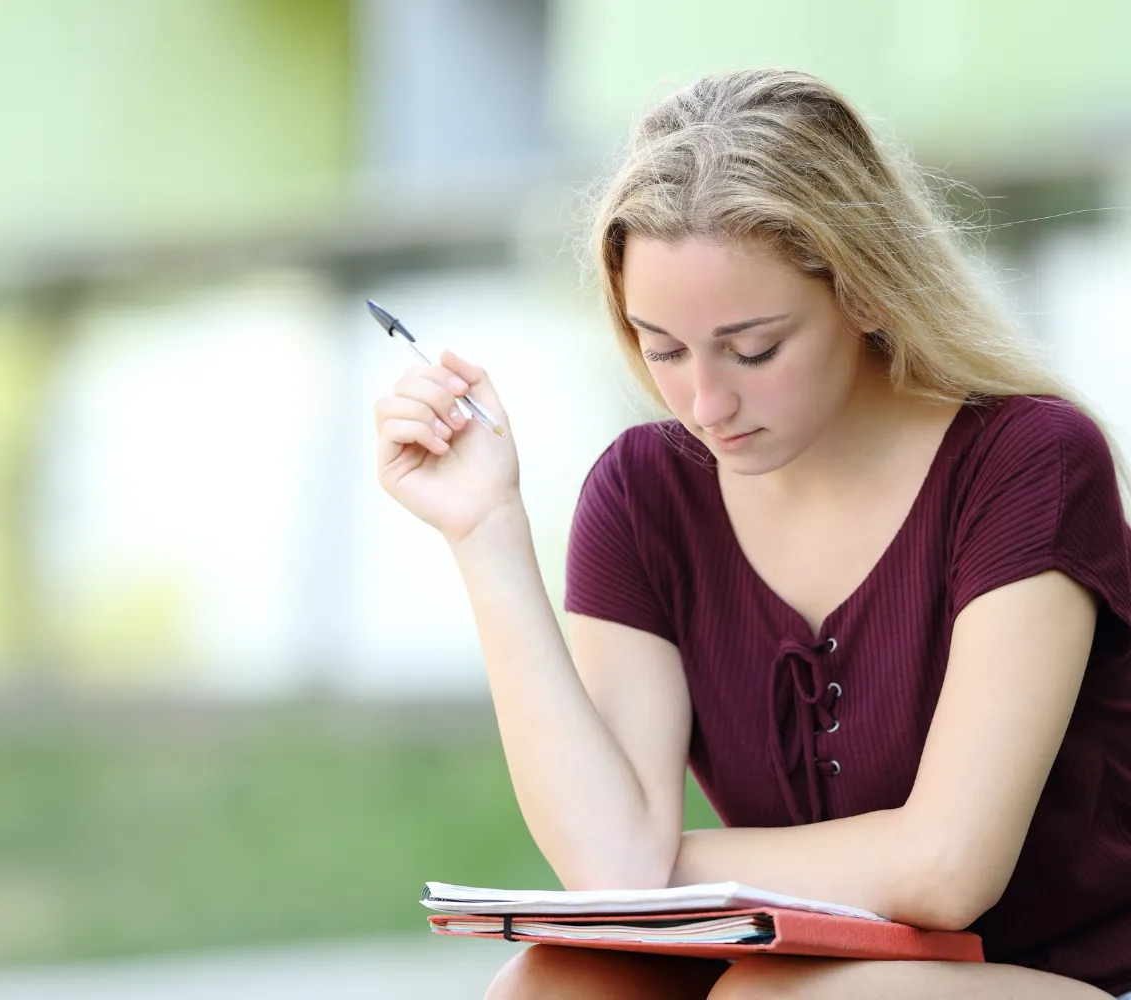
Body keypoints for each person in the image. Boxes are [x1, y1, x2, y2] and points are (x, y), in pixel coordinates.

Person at [371, 68, 1131, 998]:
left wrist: (653, 863)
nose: (706, 402)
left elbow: (947, 872)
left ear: (866, 292)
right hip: (804, 970)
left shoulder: (1027, 459)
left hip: (1063, 977)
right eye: (662, 349)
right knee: (547, 987)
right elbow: (608, 859)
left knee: (766, 999)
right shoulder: (646, 492)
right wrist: (484, 530)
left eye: (754, 349)